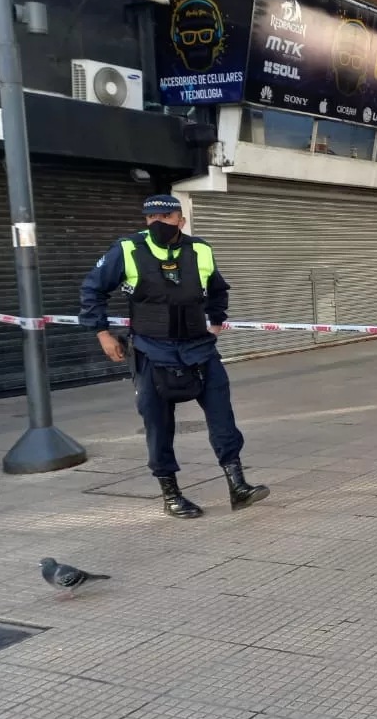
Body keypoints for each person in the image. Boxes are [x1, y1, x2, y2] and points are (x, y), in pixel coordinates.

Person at [79, 195, 269, 519]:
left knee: (223, 418)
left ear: (181, 221)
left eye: (167, 217)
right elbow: (92, 289)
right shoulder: (127, 250)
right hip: (152, 351)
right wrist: (103, 334)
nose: (159, 224)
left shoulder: (201, 250)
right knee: (158, 424)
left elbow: (218, 288)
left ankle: (238, 486)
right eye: (152, 218)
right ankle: (171, 495)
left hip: (199, 349)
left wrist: (216, 319)